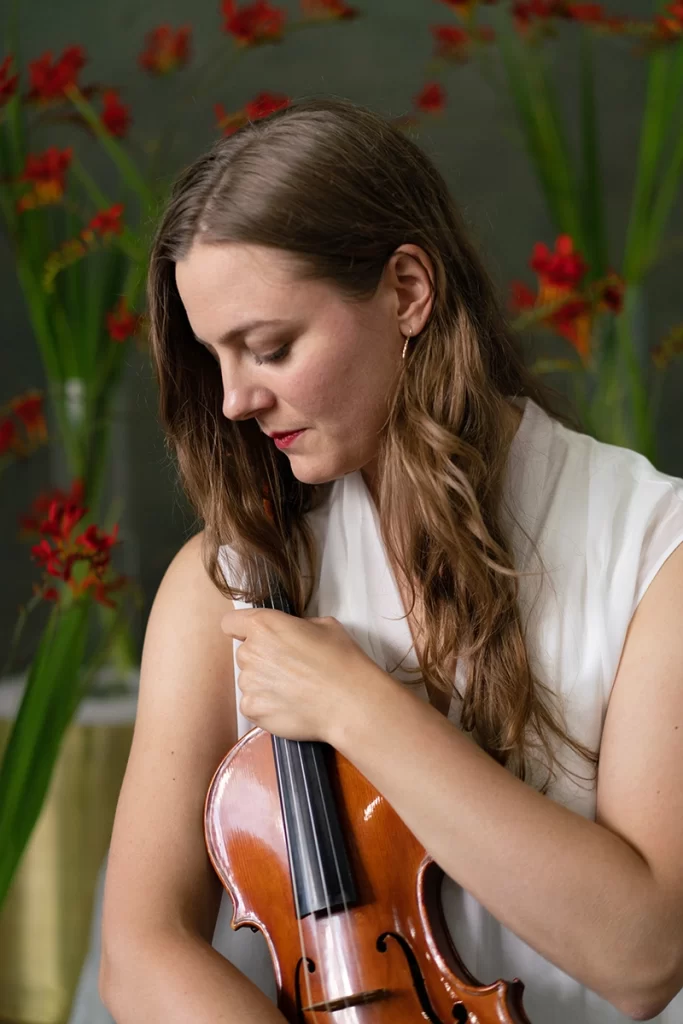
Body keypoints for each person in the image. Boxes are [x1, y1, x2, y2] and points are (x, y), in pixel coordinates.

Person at [99, 96, 683, 1023]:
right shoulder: (230, 579)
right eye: (213, 357)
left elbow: (642, 954)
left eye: (269, 347)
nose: (233, 402)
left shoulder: (657, 552)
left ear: (408, 290)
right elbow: (142, 955)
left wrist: (357, 707)